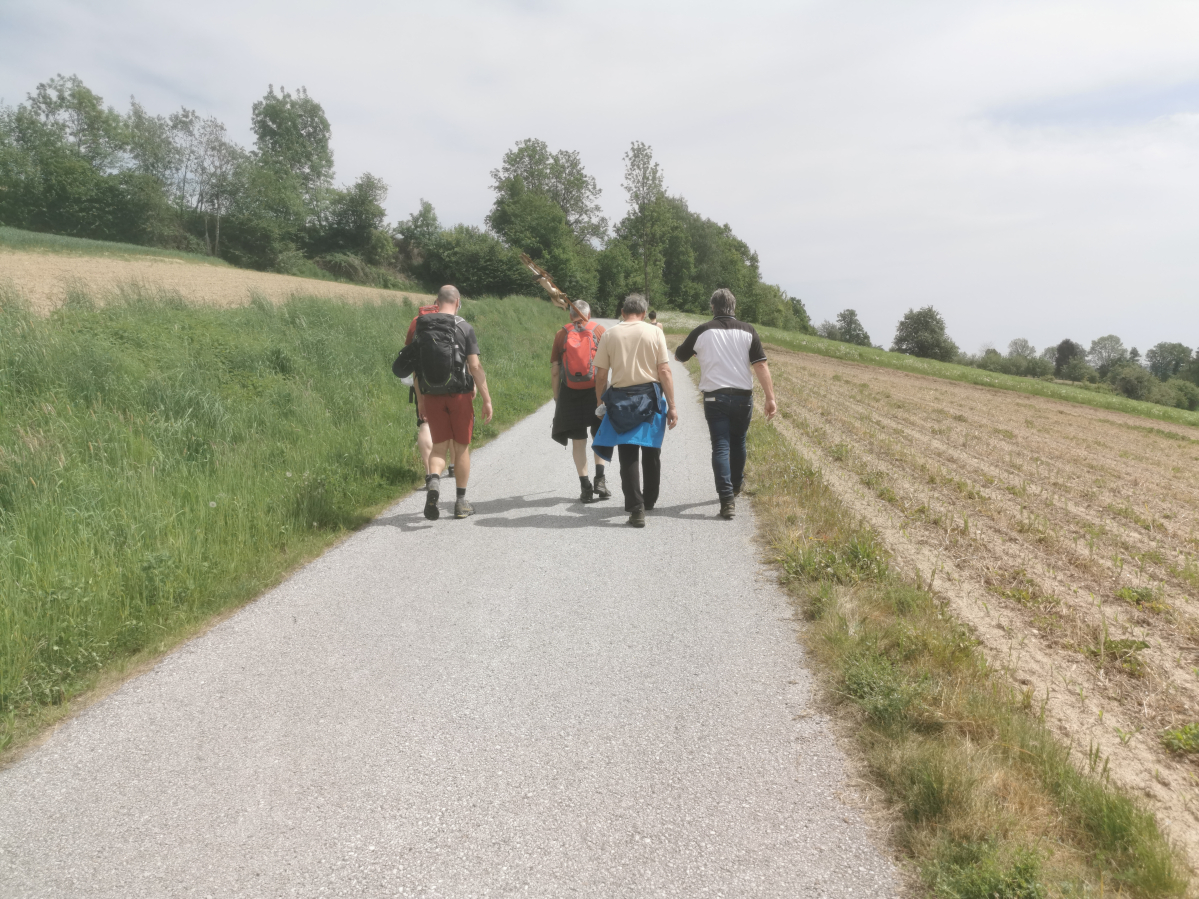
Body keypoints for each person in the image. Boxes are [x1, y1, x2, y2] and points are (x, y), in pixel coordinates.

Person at [674, 287, 777, 520]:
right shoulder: (748, 330)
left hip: (715, 397)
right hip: (743, 397)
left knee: (720, 445)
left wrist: (696, 352)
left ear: (713, 307)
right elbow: (760, 365)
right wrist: (770, 398)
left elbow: (679, 356)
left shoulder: (703, 330)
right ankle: (737, 485)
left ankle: (726, 500)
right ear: (734, 307)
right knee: (738, 441)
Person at [592, 293, 678, 528]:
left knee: (627, 454)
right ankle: (649, 500)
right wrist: (672, 406)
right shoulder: (655, 332)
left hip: (620, 400)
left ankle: (636, 509)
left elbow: (601, 375)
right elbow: (664, 371)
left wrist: (600, 403)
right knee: (651, 451)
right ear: (644, 313)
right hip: (650, 398)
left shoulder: (609, 334)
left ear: (622, 312)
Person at [412, 285, 493, 521]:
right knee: (461, 448)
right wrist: (487, 399)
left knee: (439, 448)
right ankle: (460, 503)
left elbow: (417, 369)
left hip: (432, 395)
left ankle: (434, 482)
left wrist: (421, 400)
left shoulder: (421, 327)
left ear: (436, 302)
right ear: (457, 302)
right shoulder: (464, 327)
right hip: (460, 396)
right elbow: (475, 366)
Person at [550, 301, 611, 503]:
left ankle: (585, 487)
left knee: (578, 441)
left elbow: (555, 370)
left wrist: (557, 397)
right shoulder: (600, 331)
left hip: (571, 393)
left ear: (570, 316)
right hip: (596, 392)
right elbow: (607, 366)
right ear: (589, 314)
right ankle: (600, 480)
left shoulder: (561, 334)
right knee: (599, 435)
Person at [405, 302, 455, 479]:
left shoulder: (417, 321)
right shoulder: (453, 320)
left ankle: (429, 473)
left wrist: (420, 399)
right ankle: (453, 465)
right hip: (451, 381)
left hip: (424, 382)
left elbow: (410, 355)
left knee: (425, 423)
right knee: (451, 423)